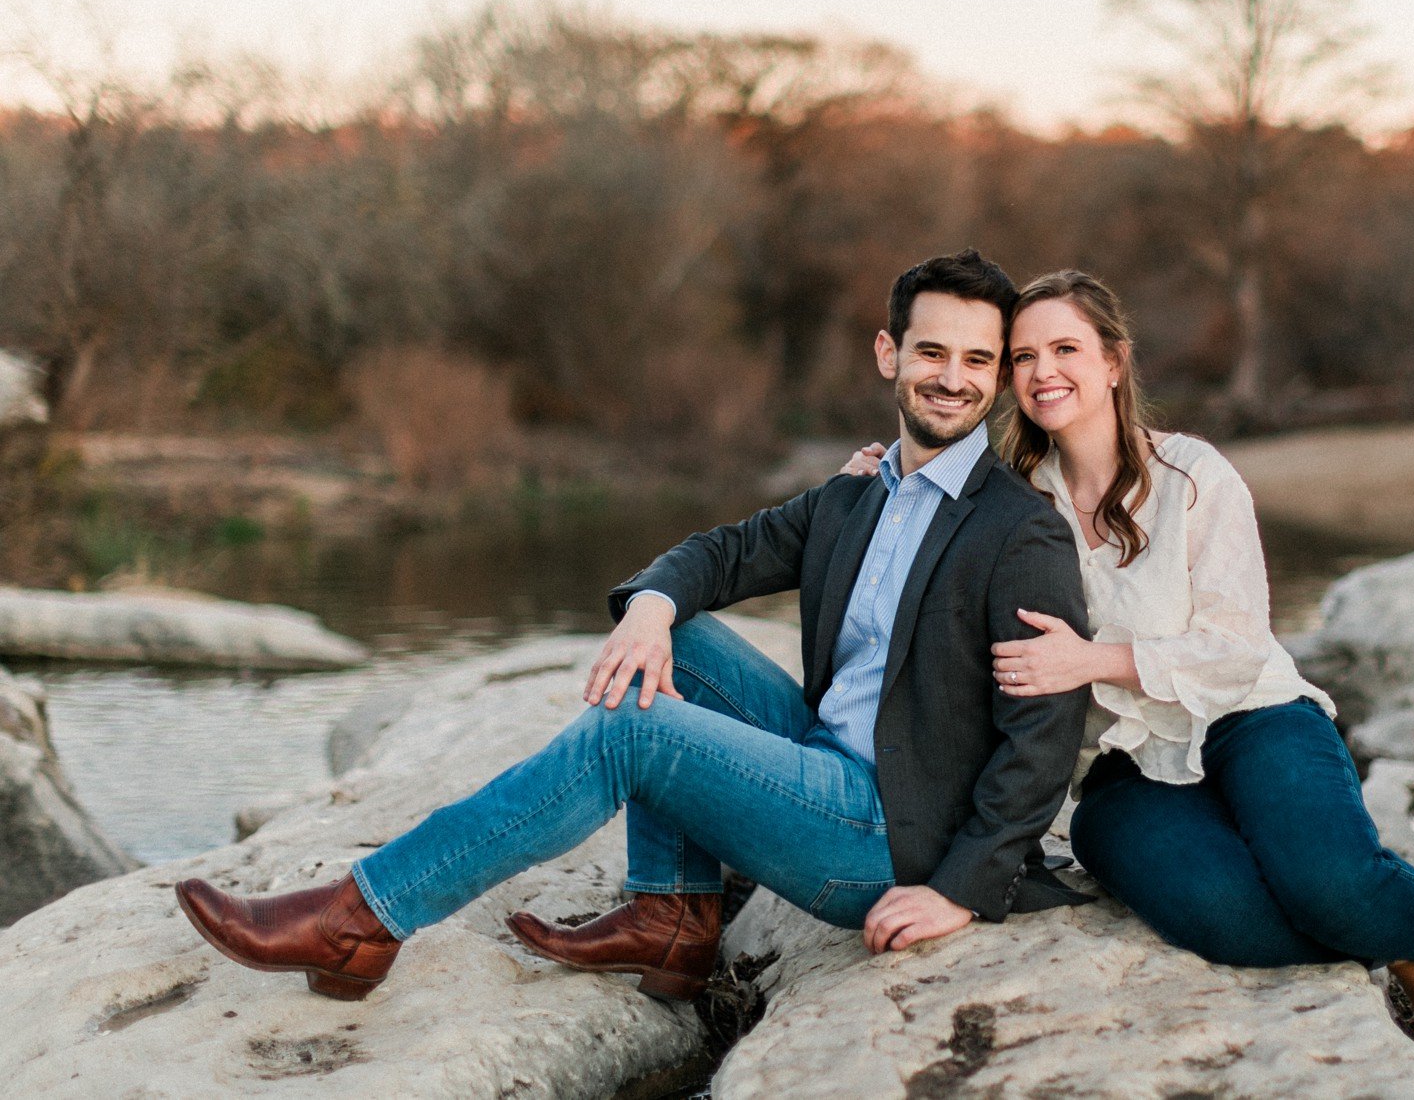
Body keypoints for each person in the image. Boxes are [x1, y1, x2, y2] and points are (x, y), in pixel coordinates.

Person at [175, 249, 1093, 1002]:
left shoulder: (1018, 531)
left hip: (889, 831)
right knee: (673, 645)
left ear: (1001, 378)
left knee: (630, 731)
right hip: (823, 760)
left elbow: (1045, 737)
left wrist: (959, 893)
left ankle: (362, 918)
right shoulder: (860, 493)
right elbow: (722, 554)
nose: (955, 380)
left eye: (979, 361)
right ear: (889, 354)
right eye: (934, 353)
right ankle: (672, 918)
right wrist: (651, 608)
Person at [839, 269, 1414, 1061]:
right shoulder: (1012, 501)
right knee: (1230, 920)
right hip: (1124, 766)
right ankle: (1402, 950)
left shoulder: (1192, 475)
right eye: (1022, 357)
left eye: (1065, 348)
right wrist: (878, 488)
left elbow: (1235, 645)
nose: (1043, 372)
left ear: (1114, 362)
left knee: (1327, 878)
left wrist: (1093, 659)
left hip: (1250, 716)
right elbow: (930, 545)